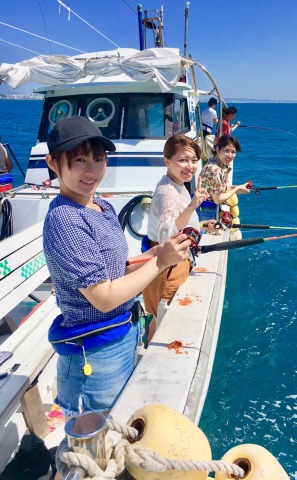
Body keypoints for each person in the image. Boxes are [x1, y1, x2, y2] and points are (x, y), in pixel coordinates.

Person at [43, 116, 191, 417]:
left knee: (119, 428)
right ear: (53, 162)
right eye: (80, 160)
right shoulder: (65, 219)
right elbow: (104, 296)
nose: (92, 170)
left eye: (98, 159)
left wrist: (157, 254)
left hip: (123, 333)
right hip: (94, 353)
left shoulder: (102, 206)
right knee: (94, 450)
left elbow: (116, 270)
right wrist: (161, 261)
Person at [142, 134, 216, 341]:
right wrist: (193, 205)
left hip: (171, 262)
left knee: (160, 317)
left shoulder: (176, 184)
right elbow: (168, 235)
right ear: (167, 161)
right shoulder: (167, 192)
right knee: (165, 319)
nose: (190, 166)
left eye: (194, 160)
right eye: (183, 160)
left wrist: (200, 225)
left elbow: (177, 220)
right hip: (168, 266)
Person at [200, 134, 251, 205]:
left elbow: (216, 189)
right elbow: (218, 199)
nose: (230, 155)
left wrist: (235, 188)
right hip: (207, 211)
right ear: (218, 150)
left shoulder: (213, 162)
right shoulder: (215, 170)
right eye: (226, 150)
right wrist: (237, 189)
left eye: (233, 152)